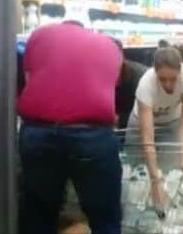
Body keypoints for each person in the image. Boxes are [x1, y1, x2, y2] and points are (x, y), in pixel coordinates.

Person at [17, 21, 123, 234]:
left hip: (41, 133)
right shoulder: (109, 46)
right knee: (105, 217)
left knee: (39, 213)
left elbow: (30, 80)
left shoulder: (40, 35)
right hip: (93, 137)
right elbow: (107, 90)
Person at [125, 47, 183, 206]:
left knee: (168, 173)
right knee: (136, 174)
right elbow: (147, 136)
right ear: (155, 72)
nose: (168, 84)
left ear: (180, 70)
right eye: (162, 79)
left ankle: (160, 218)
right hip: (140, 123)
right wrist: (153, 178)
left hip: (172, 122)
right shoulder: (146, 85)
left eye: (173, 78)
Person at [113, 39, 148, 130]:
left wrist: (120, 119)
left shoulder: (141, 77)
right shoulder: (95, 74)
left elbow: (148, 111)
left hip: (135, 128)